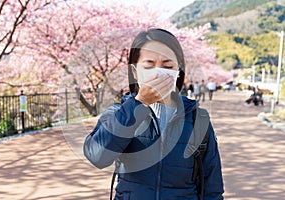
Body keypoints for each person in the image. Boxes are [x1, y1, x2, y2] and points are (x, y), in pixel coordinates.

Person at [84, 28, 224, 200]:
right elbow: (98, 156)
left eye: (167, 66)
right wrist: (138, 103)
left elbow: (212, 187)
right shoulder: (119, 113)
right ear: (135, 71)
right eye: (149, 66)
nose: (159, 73)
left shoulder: (198, 119)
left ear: (178, 70)